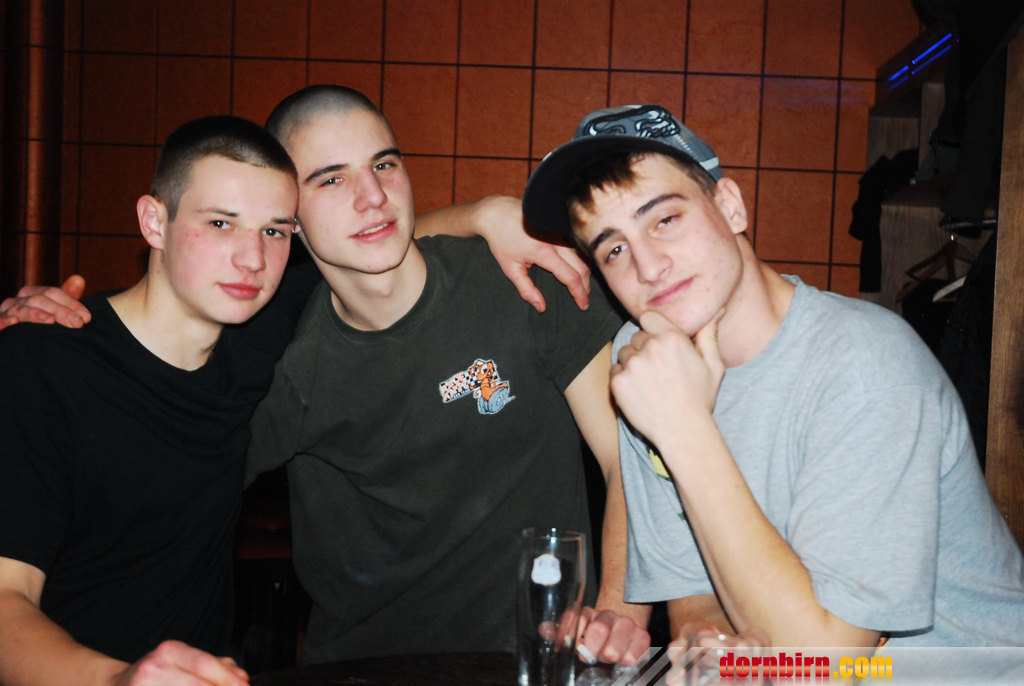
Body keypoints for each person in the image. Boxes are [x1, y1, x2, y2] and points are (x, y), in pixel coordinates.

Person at [520, 104, 1024, 648]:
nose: (648, 267)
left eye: (665, 220)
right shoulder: (643, 358)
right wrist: (708, 643)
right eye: (615, 249)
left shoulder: (866, 364)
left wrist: (684, 429)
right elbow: (695, 588)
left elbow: (828, 667)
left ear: (730, 206)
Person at [244, 85, 650, 664]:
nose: (373, 197)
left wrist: (616, 610)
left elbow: (629, 456)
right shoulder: (281, 362)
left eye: (384, 165)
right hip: (368, 669)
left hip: (542, 660)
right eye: (331, 179)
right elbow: (168, 500)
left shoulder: (522, 278)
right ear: (290, 218)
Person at [0, 115, 301, 686]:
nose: (253, 259)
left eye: (275, 231)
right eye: (220, 223)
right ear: (154, 221)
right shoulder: (43, 365)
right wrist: (118, 680)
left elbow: (370, 249)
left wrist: (475, 216)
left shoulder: (260, 330)